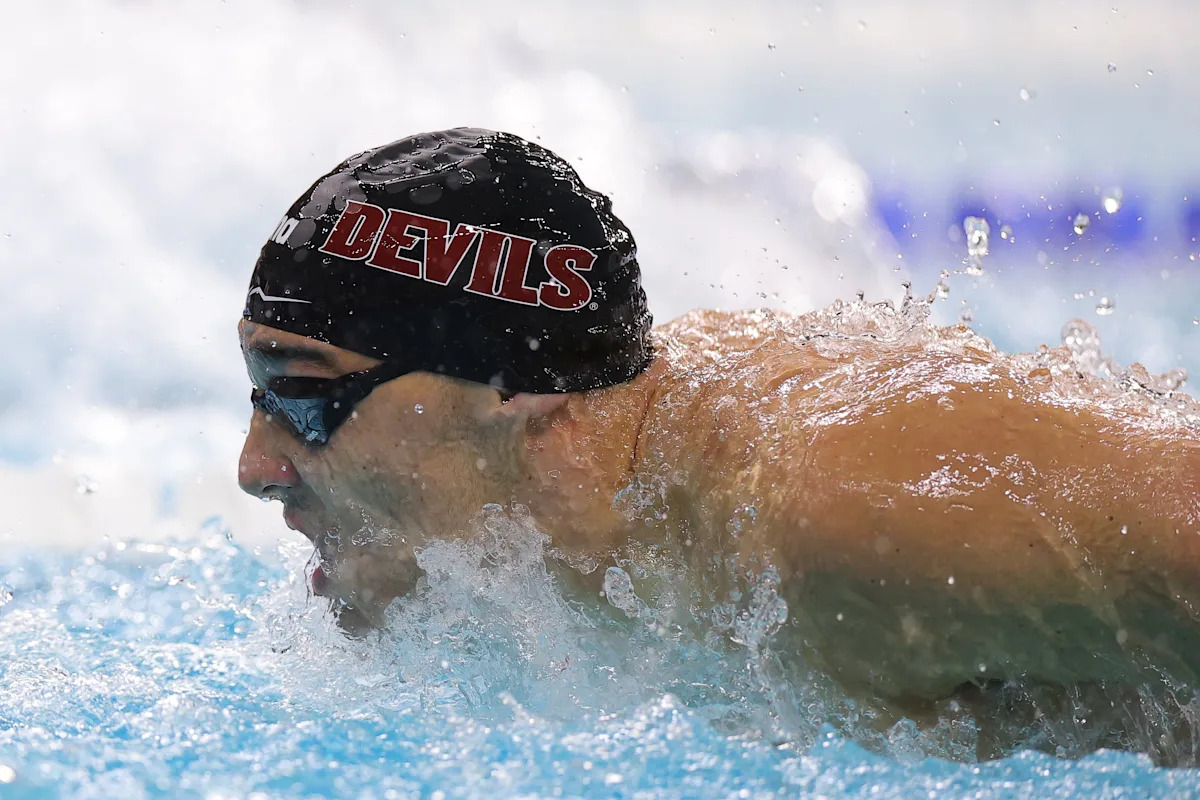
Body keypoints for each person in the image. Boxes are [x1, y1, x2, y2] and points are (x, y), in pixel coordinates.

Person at [238, 127, 1200, 760]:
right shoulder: (560, 525)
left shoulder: (846, 514)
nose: (255, 467)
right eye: (255, 392)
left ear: (517, 389)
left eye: (305, 394)